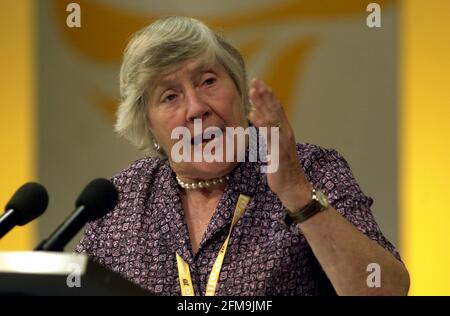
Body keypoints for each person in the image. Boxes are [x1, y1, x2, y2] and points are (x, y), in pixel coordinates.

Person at [76, 16, 410, 296]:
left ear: (239, 92)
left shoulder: (311, 169)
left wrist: (296, 192)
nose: (196, 108)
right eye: (170, 97)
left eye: (208, 81)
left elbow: (386, 288)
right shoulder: (121, 201)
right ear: (147, 125)